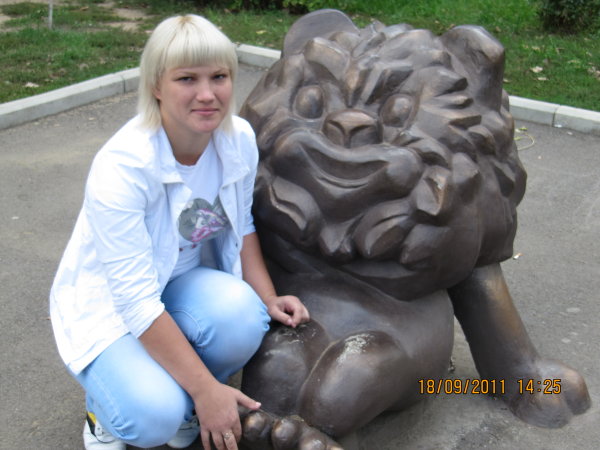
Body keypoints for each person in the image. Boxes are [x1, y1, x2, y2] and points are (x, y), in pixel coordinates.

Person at [49, 14, 310, 450]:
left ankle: (186, 400)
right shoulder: (122, 167)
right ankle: (103, 414)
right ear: (156, 85)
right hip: (115, 303)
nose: (207, 94)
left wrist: (267, 296)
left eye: (219, 77)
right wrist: (207, 391)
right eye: (187, 78)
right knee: (153, 418)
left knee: (245, 317)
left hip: (179, 282)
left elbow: (241, 223)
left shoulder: (237, 139)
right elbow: (134, 300)